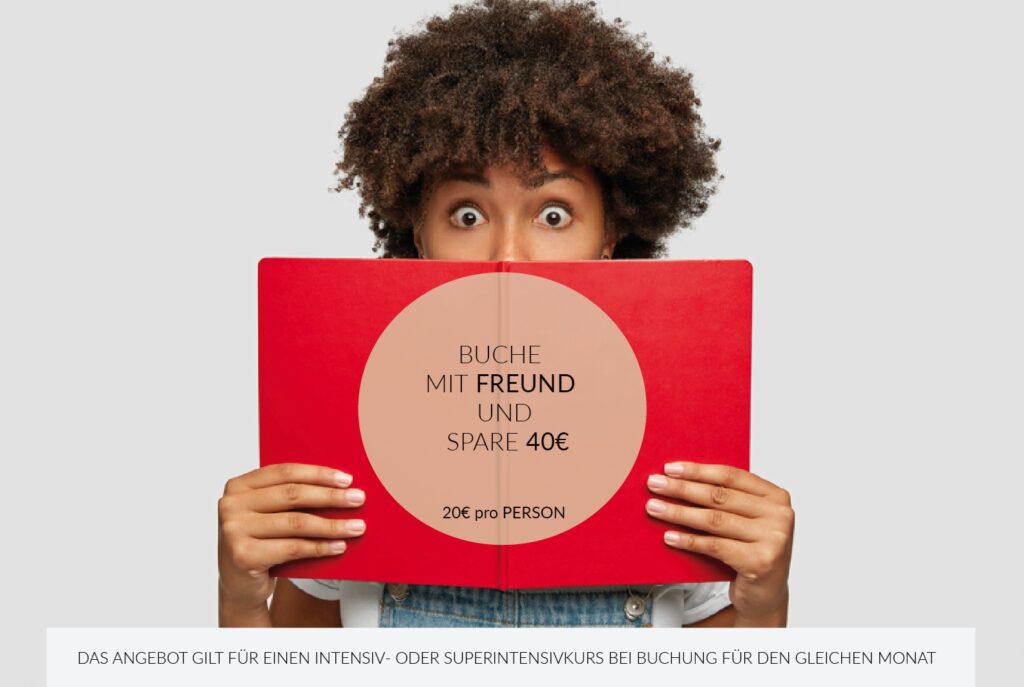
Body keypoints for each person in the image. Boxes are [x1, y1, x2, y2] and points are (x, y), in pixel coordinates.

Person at [218, 0, 794, 629]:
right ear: (419, 234)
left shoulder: (678, 453)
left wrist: (766, 604)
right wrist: (240, 600)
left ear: (609, 235)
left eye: (554, 214)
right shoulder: (348, 447)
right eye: (467, 215)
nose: (509, 257)